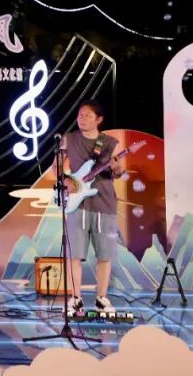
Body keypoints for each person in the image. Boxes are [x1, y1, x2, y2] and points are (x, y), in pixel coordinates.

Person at [63, 100, 126, 314]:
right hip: (77, 204)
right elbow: (56, 167)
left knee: (104, 254)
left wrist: (117, 168)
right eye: (80, 115)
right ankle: (75, 299)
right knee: (75, 254)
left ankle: (101, 298)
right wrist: (65, 180)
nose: (82, 119)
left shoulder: (110, 143)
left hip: (104, 202)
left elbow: (119, 172)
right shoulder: (69, 139)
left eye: (87, 115)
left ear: (99, 120)